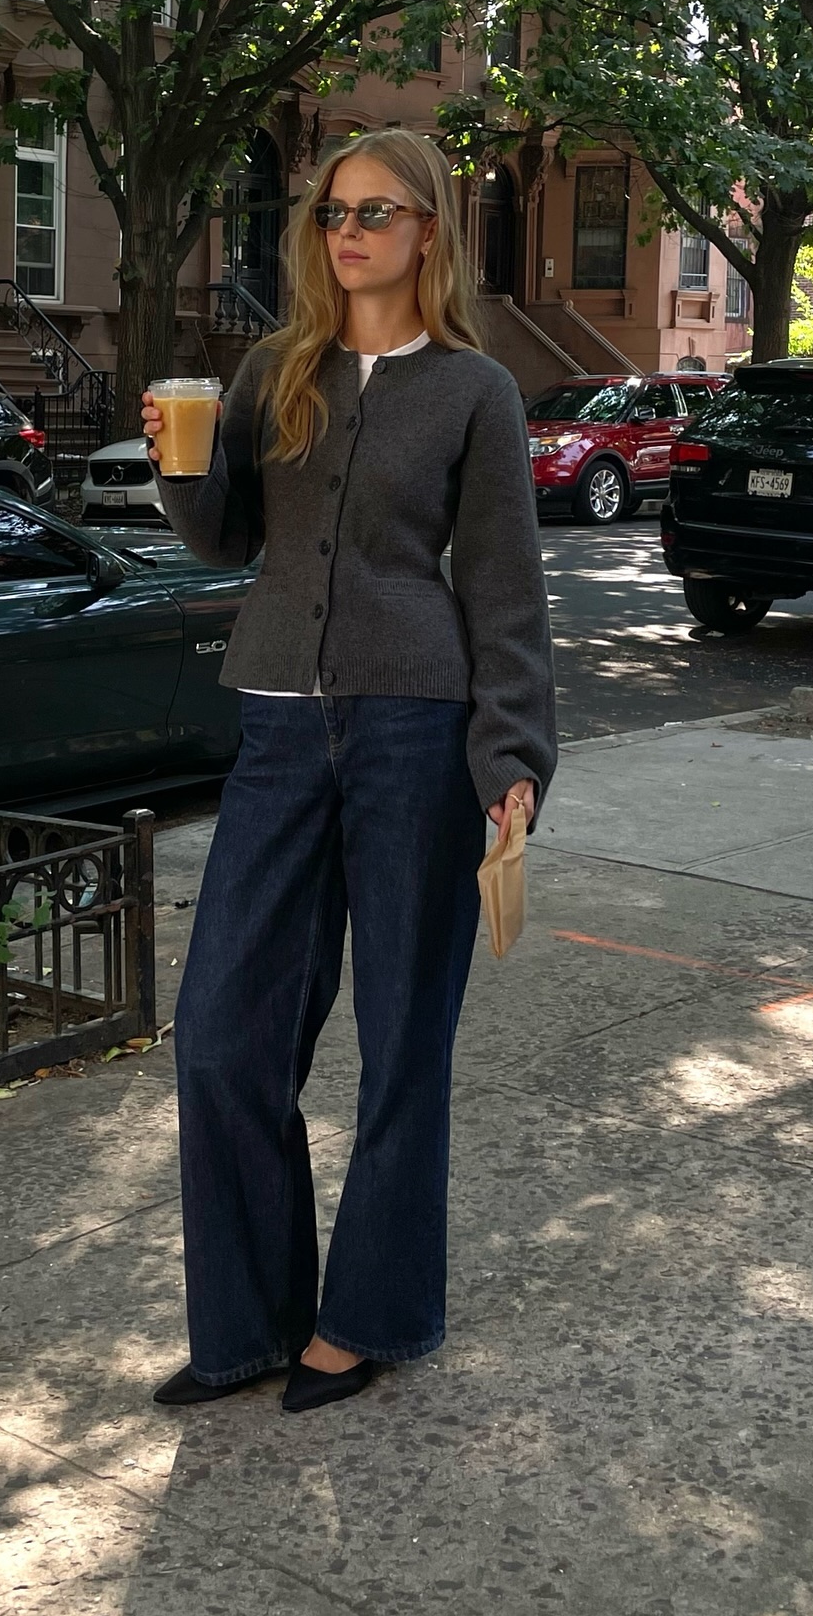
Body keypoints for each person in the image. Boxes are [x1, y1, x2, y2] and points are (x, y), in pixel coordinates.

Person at [141, 128, 556, 1415]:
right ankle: (248, 1324)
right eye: (332, 214)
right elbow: (225, 542)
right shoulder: (276, 369)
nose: (350, 232)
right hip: (277, 729)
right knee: (222, 1035)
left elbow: (503, 591)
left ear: (429, 230)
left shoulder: (476, 390)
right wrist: (180, 462)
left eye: (377, 212)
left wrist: (510, 756)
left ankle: (368, 1316)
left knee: (402, 1039)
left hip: (414, 734)